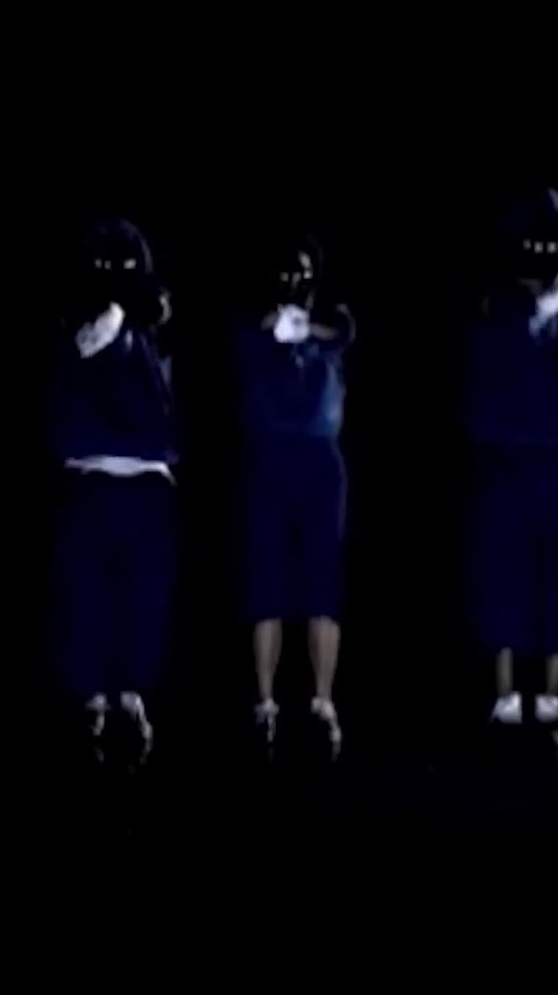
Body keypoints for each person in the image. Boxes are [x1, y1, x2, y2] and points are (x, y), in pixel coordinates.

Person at [464, 188, 558, 736]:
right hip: (506, 461)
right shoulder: (494, 307)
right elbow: (485, 374)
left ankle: (550, 695)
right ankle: (504, 695)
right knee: (503, 577)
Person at [49, 217, 176, 754]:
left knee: (142, 596)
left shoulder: (156, 324)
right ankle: (94, 696)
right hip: (91, 476)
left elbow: (162, 402)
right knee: (88, 594)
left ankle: (130, 693)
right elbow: (67, 391)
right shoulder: (72, 325)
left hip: (147, 480)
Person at [236, 233, 352, 752]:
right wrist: (272, 327)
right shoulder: (249, 326)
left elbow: (343, 333)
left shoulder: (333, 320)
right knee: (267, 584)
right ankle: (265, 703)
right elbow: (244, 342)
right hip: (268, 462)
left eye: (301, 273)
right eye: (284, 273)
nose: (292, 282)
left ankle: (323, 703)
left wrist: (305, 326)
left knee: (323, 585)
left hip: (321, 463)